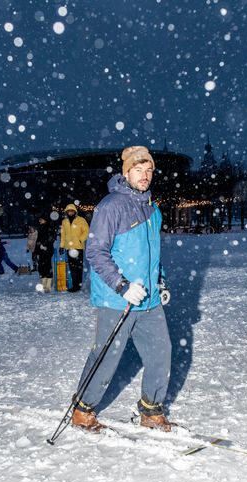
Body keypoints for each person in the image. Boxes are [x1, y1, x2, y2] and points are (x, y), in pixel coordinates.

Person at [71, 145, 174, 433]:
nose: (144, 176)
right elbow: (95, 252)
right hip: (117, 299)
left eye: (148, 170)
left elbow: (154, 255)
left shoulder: (153, 210)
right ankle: (82, 409)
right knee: (107, 355)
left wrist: (160, 281)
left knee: (160, 351)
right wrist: (122, 285)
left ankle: (151, 410)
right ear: (126, 172)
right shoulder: (111, 206)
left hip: (149, 299)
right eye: (138, 170)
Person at [59, 203, 89, 292]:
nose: (70, 213)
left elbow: (87, 231)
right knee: (72, 268)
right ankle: (75, 285)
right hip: (69, 248)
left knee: (78, 267)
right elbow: (63, 235)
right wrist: (61, 246)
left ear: (75, 211)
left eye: (72, 211)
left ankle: (78, 285)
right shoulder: (64, 222)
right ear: (66, 212)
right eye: (69, 211)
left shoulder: (81, 220)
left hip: (78, 247)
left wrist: (80, 239)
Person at [33, 214, 55, 292]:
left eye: (41, 219)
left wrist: (44, 245)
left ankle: (48, 286)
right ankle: (44, 285)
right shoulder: (40, 228)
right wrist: (35, 251)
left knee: (47, 267)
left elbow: (51, 238)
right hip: (41, 251)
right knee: (41, 268)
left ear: (45, 220)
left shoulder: (49, 228)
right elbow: (37, 240)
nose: (39, 221)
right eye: (39, 220)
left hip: (47, 250)